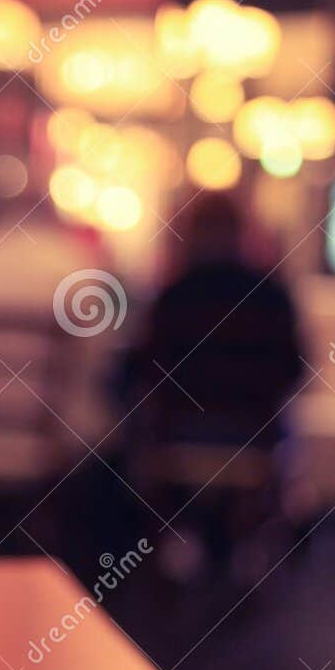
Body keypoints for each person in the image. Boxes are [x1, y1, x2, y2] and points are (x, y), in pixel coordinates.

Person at [121, 192, 305, 579]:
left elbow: (142, 370)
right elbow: (295, 370)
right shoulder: (270, 294)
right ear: (243, 232)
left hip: (177, 438)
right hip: (254, 440)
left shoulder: (172, 295)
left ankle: (182, 541)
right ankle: (241, 535)